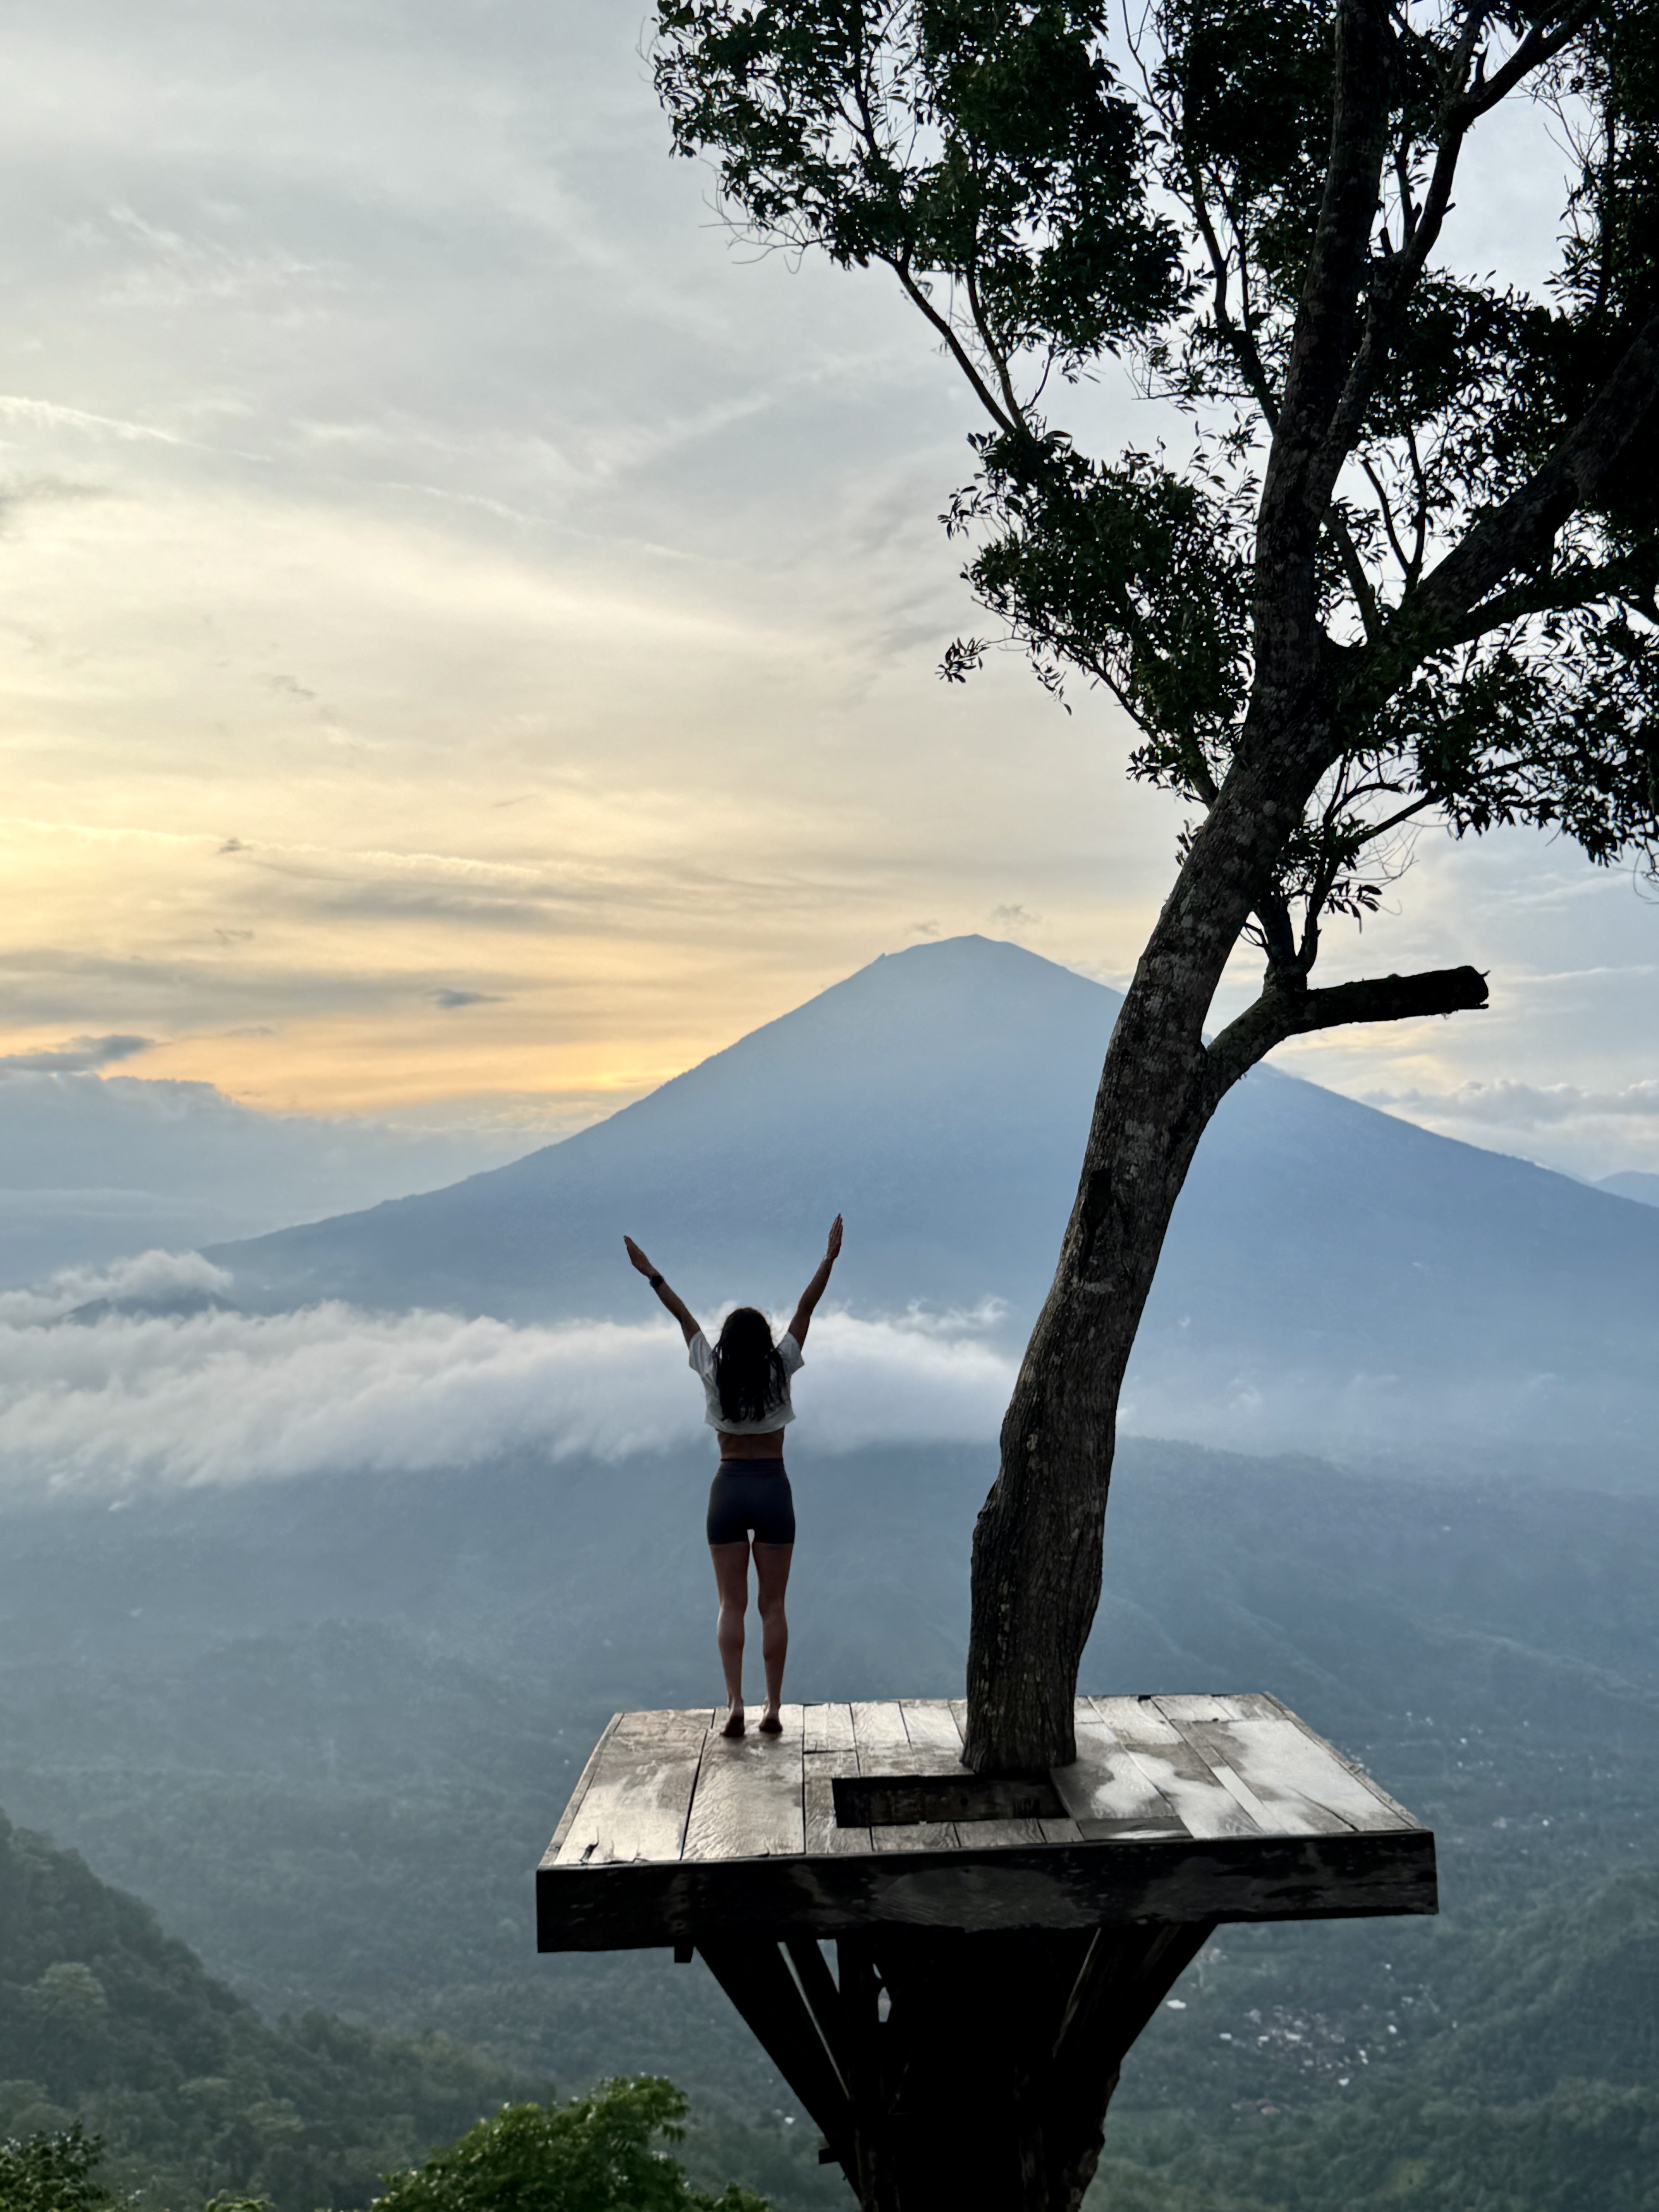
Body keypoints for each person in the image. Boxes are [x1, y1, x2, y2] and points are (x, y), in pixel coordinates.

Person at [623, 1217, 843, 1739]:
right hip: (773, 1490)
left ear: (727, 1342)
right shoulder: (781, 1368)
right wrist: (829, 1259)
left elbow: (683, 1317)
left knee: (731, 1605)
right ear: (765, 1342)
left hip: (727, 1491)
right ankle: (772, 1707)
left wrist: (650, 1273)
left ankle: (735, 1704)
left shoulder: (711, 1370)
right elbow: (806, 1310)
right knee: (773, 1606)